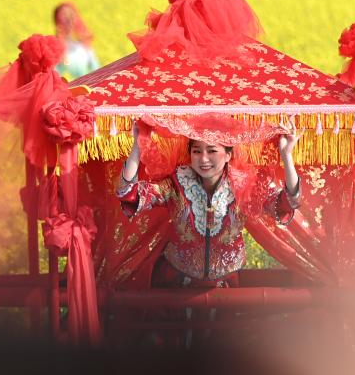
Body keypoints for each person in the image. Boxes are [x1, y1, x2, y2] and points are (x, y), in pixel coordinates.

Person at [117, 122, 301, 289]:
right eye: (197, 151)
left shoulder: (245, 184)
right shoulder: (176, 182)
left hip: (226, 285)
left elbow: (287, 203)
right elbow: (128, 193)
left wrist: (287, 156)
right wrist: (137, 146)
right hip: (176, 283)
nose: (203, 159)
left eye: (212, 151)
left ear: (228, 154)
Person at [53, 2, 100, 81]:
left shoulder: (85, 45)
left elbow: (96, 69)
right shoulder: (56, 47)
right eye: (63, 15)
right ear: (57, 21)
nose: (68, 19)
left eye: (71, 14)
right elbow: (56, 75)